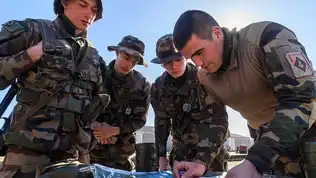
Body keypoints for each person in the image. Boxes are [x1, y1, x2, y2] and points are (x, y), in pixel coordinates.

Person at [172, 10, 316, 178]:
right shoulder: (204, 78)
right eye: (190, 58)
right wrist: (200, 162)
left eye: (199, 52)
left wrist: (254, 161)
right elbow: (214, 122)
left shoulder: (266, 38)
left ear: (216, 33)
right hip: (271, 147)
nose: (198, 64)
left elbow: (301, 99)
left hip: (309, 133)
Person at [0, 0, 111, 177]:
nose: (89, 14)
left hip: (74, 157)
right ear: (65, 3)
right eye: (82, 5)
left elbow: (97, 101)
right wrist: (31, 54)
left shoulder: (95, 57)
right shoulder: (33, 31)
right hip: (28, 155)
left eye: (94, 10)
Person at [150, 34, 229, 177]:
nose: (174, 66)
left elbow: (218, 121)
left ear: (186, 56)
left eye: (178, 60)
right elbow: (161, 122)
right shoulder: (158, 88)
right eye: (168, 63)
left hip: (210, 153)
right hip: (181, 153)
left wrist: (202, 161)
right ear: (161, 64)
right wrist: (161, 155)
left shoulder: (204, 78)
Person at [89, 35, 151, 171]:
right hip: (92, 151)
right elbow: (82, 106)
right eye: (126, 58)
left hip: (122, 156)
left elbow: (140, 120)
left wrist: (113, 131)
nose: (128, 64)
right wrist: (96, 126)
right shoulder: (96, 75)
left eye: (134, 62)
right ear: (117, 53)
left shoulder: (142, 85)